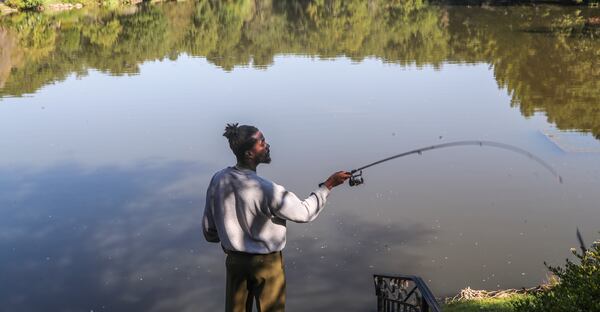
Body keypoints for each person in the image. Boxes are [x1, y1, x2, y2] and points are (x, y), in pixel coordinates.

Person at [202, 123, 350, 312]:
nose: (267, 145)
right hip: (267, 265)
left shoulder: (218, 179)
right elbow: (304, 213)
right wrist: (328, 185)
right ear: (248, 153)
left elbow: (209, 230)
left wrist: (226, 241)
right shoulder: (267, 189)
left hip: (235, 262)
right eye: (262, 142)